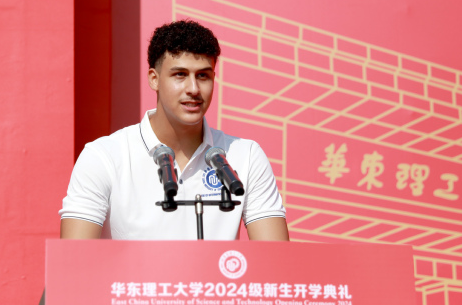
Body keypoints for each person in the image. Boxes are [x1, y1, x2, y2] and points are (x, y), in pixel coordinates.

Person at [59, 20, 289, 241]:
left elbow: (276, 259)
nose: (193, 89)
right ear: (154, 79)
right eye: (180, 75)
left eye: (203, 76)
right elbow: (73, 260)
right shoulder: (104, 156)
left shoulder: (245, 155)